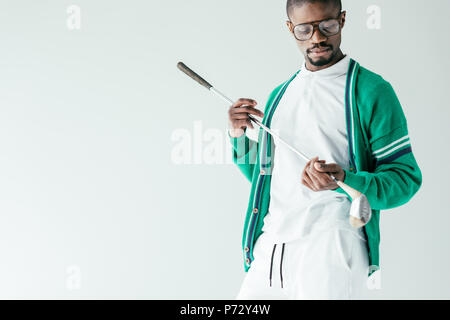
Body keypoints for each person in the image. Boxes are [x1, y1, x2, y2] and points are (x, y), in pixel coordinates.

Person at [227, 0, 422, 299]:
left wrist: (344, 180)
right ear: (290, 29)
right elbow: (267, 178)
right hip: (271, 245)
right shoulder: (280, 95)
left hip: (332, 244)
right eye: (305, 29)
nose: (317, 38)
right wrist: (237, 135)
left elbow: (404, 180)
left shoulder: (371, 91)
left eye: (327, 26)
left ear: (342, 20)